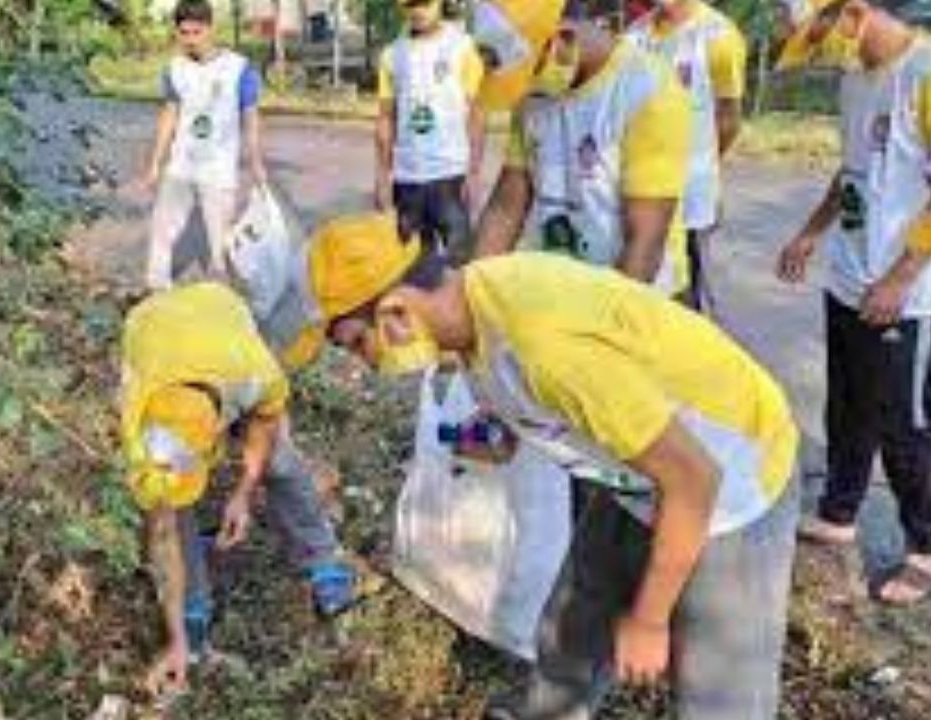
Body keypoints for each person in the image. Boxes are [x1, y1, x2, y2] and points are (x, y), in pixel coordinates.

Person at [303, 216, 800, 719]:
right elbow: (518, 416)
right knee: (571, 631)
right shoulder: (471, 312)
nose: (362, 363)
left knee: (718, 693)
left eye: (356, 343)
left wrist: (650, 620)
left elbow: (694, 481)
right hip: (636, 471)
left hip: (731, 478)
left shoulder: (543, 348)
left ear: (395, 312)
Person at [120, 283, 354, 695]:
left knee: (279, 460)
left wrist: (243, 492)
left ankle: (322, 559)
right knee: (172, 512)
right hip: (153, 331)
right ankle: (192, 611)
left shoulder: (255, 375)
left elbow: (264, 425)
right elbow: (161, 532)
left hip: (219, 314)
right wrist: (176, 639)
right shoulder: (138, 422)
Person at [775, 0, 931, 605]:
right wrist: (812, 232)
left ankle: (923, 543)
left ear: (854, 13)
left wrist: (900, 277)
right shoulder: (854, 81)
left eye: (818, 33)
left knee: (904, 422)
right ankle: (840, 510)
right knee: (847, 404)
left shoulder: (921, 75)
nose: (818, 51)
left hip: (908, 292)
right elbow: (852, 172)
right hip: (849, 273)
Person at [474, 3, 694, 303]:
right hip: (563, 290)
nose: (526, 91)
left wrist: (600, 330)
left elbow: (644, 241)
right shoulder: (532, 95)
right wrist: (473, 292)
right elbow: (506, 207)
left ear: (564, 38)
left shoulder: (646, 88)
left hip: (641, 299)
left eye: (531, 75)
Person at [625, 0, 747, 313]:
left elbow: (729, 119)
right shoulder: (634, 35)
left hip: (691, 200)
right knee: (647, 290)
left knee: (689, 298)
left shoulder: (719, 36)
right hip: (642, 193)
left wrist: (704, 172)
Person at [139, 0, 267, 290]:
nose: (189, 40)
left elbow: (250, 117)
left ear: (210, 29)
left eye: (196, 32)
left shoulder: (239, 69)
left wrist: (256, 162)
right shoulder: (175, 69)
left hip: (218, 169)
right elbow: (169, 115)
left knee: (220, 245)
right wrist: (155, 163)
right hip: (181, 165)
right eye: (183, 33)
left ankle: (221, 301)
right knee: (162, 230)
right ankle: (156, 288)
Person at [376, 0, 486, 265]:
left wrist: (474, 172)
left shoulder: (463, 48)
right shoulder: (391, 56)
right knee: (409, 268)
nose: (417, 10)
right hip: (407, 180)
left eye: (424, 3)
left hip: (450, 178)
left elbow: (476, 113)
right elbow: (385, 118)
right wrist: (382, 176)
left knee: (459, 267)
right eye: (410, 4)